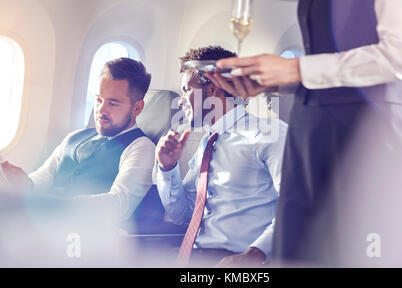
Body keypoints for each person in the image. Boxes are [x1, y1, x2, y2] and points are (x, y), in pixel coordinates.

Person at [209, 0, 402, 266]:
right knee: (294, 252)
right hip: (309, 131)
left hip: (365, 134)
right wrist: (273, 81)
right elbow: (329, 59)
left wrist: (297, 68)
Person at [155, 46, 288, 267]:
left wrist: (254, 255)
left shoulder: (268, 134)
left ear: (214, 90)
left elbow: (292, 206)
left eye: (187, 90)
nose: (180, 101)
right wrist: (167, 169)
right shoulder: (207, 143)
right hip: (193, 258)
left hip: (240, 260)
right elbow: (183, 215)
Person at [1, 57, 158, 222]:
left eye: (113, 103)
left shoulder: (141, 147)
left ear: (137, 108)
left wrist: (52, 206)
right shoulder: (75, 138)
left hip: (84, 236)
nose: (101, 110)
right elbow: (43, 179)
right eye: (99, 99)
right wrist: (23, 183)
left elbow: (119, 204)